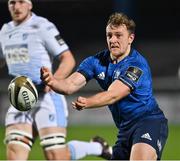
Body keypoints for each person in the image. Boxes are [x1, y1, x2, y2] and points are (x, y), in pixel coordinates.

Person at [41, 12, 169, 160]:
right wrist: (52, 81)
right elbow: (70, 85)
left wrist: (89, 102)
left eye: (118, 35)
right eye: (109, 35)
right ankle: (104, 150)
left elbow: (113, 94)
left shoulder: (137, 65)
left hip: (149, 121)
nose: (113, 40)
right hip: (124, 129)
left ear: (130, 38)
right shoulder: (96, 61)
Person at [0, 0, 112, 160]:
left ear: (30, 4)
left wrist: (54, 80)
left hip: (47, 98)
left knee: (56, 156)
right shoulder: (5, 31)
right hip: (20, 99)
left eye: (21, 2)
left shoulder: (42, 26)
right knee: (14, 154)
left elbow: (68, 59)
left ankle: (96, 147)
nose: (17, 7)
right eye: (12, 2)